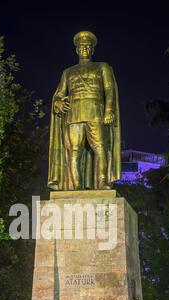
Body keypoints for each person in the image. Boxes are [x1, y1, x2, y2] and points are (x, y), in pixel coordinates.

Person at [48, 31, 121, 191]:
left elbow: (109, 89)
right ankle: (75, 187)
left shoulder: (102, 67)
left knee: (100, 147)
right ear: (77, 50)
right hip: (73, 114)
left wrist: (109, 109)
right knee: (74, 151)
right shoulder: (68, 72)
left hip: (96, 112)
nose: (84, 48)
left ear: (92, 50)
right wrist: (58, 103)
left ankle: (102, 182)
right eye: (81, 46)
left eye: (88, 46)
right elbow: (59, 94)